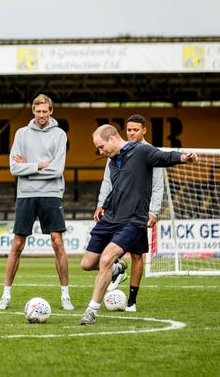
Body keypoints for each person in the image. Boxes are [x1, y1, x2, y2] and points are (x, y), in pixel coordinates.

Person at [80, 124, 198, 325]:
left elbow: (163, 157)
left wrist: (184, 158)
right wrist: (103, 205)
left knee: (106, 258)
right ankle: (117, 268)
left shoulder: (142, 150)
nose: (100, 152)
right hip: (110, 218)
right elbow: (116, 188)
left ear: (111, 139)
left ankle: (91, 311)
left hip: (133, 220)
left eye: (101, 147)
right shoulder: (111, 161)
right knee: (87, 264)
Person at [0, 94, 74, 311]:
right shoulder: (21, 134)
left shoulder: (59, 135)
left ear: (51, 112)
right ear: (33, 111)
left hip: (52, 193)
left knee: (57, 242)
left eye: (45, 111)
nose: (41, 115)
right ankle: (6, 295)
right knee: (18, 244)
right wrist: (41, 165)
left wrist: (29, 167)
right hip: (26, 194)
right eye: (38, 111)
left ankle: (65, 295)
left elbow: (58, 169)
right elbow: (14, 168)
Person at [94, 114, 164, 312]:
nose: (132, 133)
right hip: (116, 210)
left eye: (135, 130)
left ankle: (132, 301)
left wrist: (154, 211)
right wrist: (101, 203)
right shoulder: (116, 151)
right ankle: (117, 268)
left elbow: (158, 185)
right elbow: (107, 181)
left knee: (136, 255)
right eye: (129, 129)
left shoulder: (150, 152)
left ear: (144, 131)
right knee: (104, 250)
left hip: (139, 212)